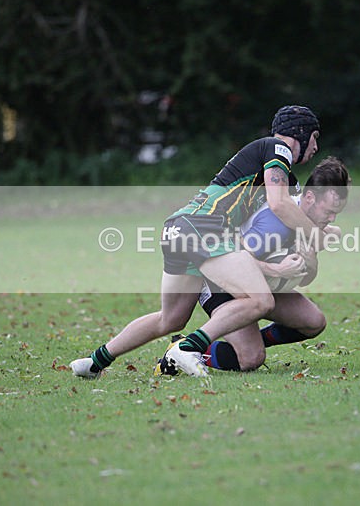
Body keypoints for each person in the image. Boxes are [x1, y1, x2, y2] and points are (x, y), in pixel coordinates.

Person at [70, 105, 324, 378]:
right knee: (261, 301)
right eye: (315, 138)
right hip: (204, 228)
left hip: (177, 228)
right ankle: (189, 348)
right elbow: (279, 203)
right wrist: (314, 234)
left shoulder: (285, 176)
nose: (316, 147)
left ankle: (93, 362)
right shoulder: (278, 149)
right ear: (301, 132)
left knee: (171, 319)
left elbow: (284, 211)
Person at [155, 156, 351, 373]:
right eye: (329, 212)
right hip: (219, 285)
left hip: (261, 287)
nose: (332, 219)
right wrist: (279, 269)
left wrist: (310, 259)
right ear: (310, 197)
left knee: (314, 321)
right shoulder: (274, 226)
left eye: (336, 213)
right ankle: (183, 348)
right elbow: (235, 260)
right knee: (250, 358)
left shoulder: (309, 225)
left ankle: (249, 340)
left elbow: (306, 277)